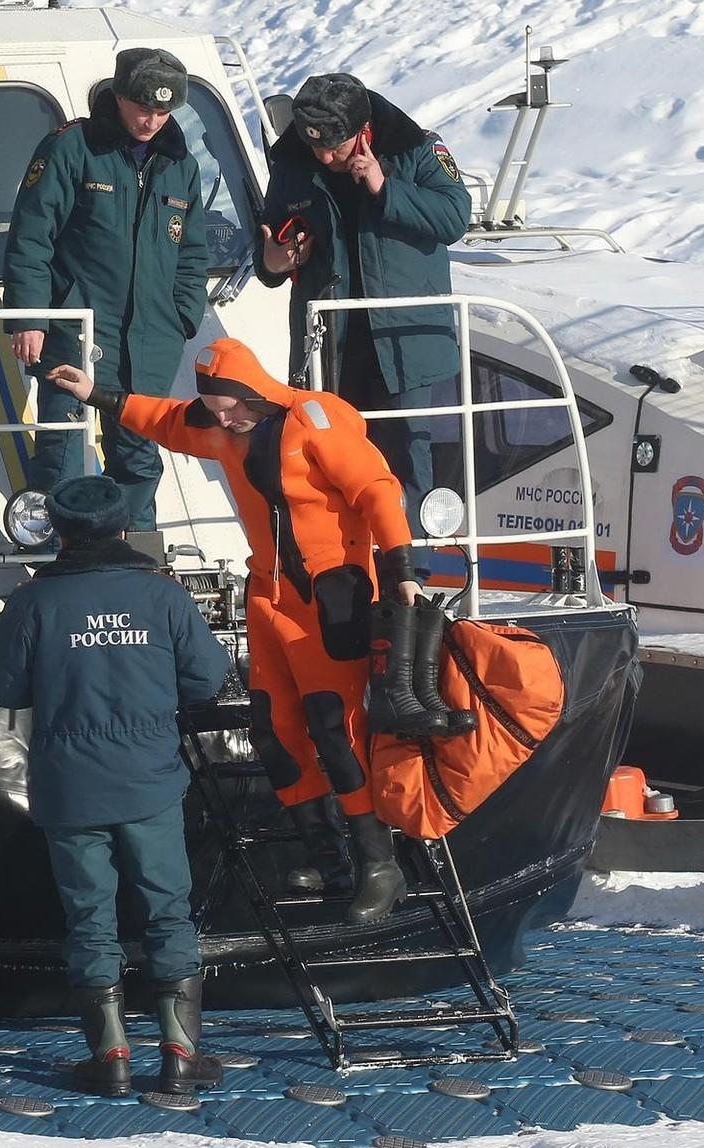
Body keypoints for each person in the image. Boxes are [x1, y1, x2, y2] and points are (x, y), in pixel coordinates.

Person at [46, 339, 470, 925]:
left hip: (332, 594)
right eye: (216, 411)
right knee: (273, 729)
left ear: (252, 393)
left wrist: (402, 571)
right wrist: (99, 395)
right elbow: (168, 421)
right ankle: (327, 858)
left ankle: (379, 865)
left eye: (228, 409)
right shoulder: (223, 428)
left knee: (337, 729)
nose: (223, 420)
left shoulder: (314, 419)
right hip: (269, 596)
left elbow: (377, 490)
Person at [0, 475, 232, 1098]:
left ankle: (110, 1055)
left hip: (71, 787)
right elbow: (207, 679)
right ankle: (180, 1054)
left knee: (90, 917)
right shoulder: (163, 595)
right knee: (167, 911)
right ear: (123, 529)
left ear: (60, 534)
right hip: (148, 780)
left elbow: (4, 686)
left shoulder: (34, 602)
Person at [255, 72, 472, 535]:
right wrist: (274, 260)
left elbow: (455, 217)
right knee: (330, 458)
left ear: (362, 130)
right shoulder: (292, 163)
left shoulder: (416, 149)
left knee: (406, 459)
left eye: (334, 146)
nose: (324, 156)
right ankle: (345, 562)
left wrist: (384, 186)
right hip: (331, 343)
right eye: (315, 145)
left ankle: (409, 567)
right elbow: (269, 245)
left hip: (402, 342)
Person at [2, 47, 210, 531]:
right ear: (118, 96)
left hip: (151, 338)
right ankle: (61, 552)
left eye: (163, 111)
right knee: (62, 451)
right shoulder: (71, 148)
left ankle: (136, 556)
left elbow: (192, 253)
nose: (151, 121)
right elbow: (31, 237)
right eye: (143, 107)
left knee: (139, 457)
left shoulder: (181, 165)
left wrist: (181, 317)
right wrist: (30, 318)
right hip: (78, 332)